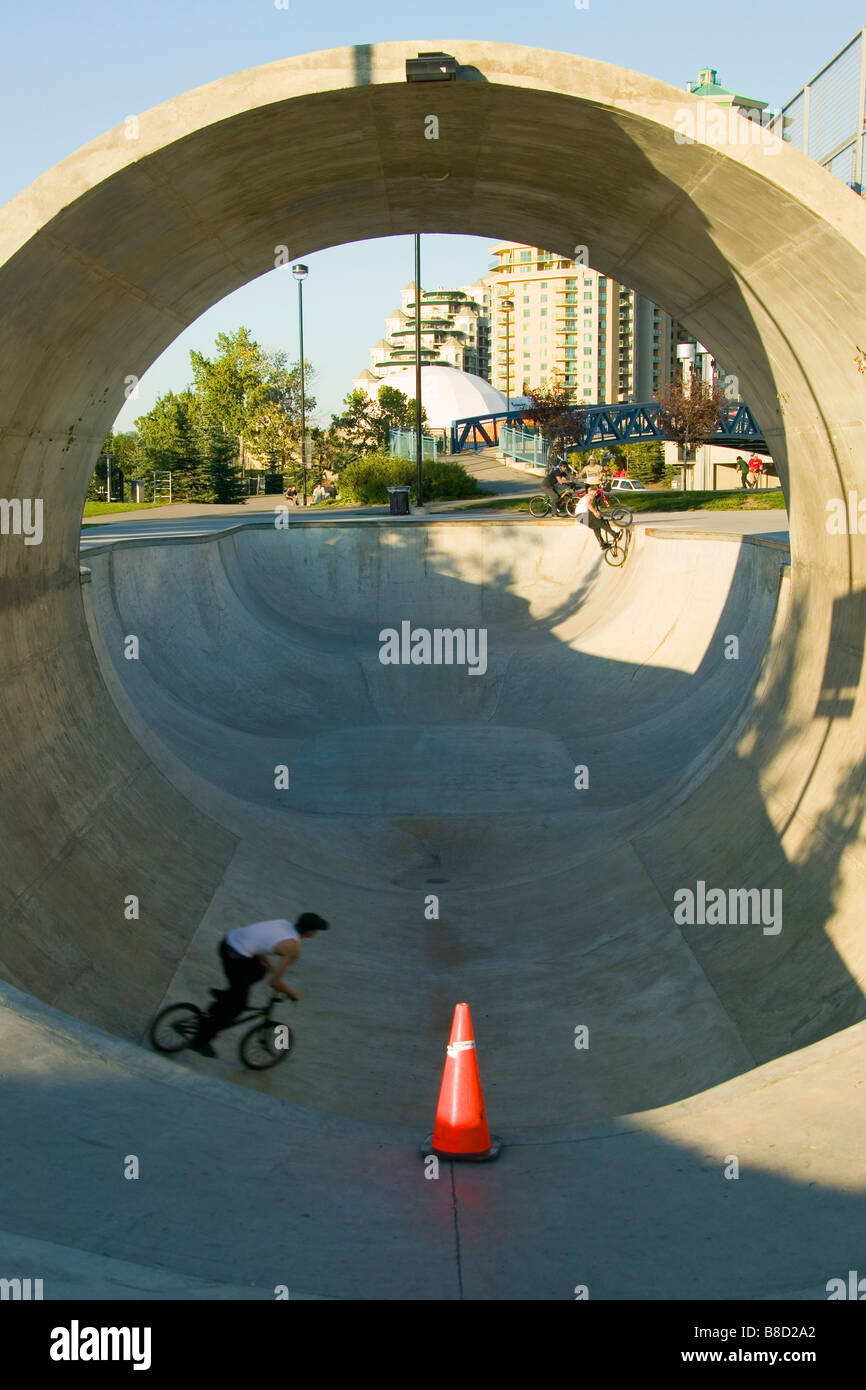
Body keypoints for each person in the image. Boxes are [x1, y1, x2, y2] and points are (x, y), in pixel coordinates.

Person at [190, 914, 329, 1056]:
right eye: (316, 930)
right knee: (237, 1007)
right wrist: (292, 993)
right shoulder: (294, 948)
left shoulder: (283, 923)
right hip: (234, 956)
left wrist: (269, 966)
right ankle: (200, 1041)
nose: (316, 933)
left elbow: (257, 942)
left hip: (228, 942)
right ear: (310, 931)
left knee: (259, 971)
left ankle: (226, 996)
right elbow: (274, 983)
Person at [575, 484, 617, 550]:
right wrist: (595, 512)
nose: (596, 493)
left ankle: (602, 544)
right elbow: (588, 505)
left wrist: (596, 512)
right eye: (595, 492)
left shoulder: (588, 496)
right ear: (591, 491)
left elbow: (589, 507)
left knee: (596, 527)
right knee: (601, 522)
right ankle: (614, 534)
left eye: (596, 492)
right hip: (582, 515)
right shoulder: (589, 496)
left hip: (580, 517)